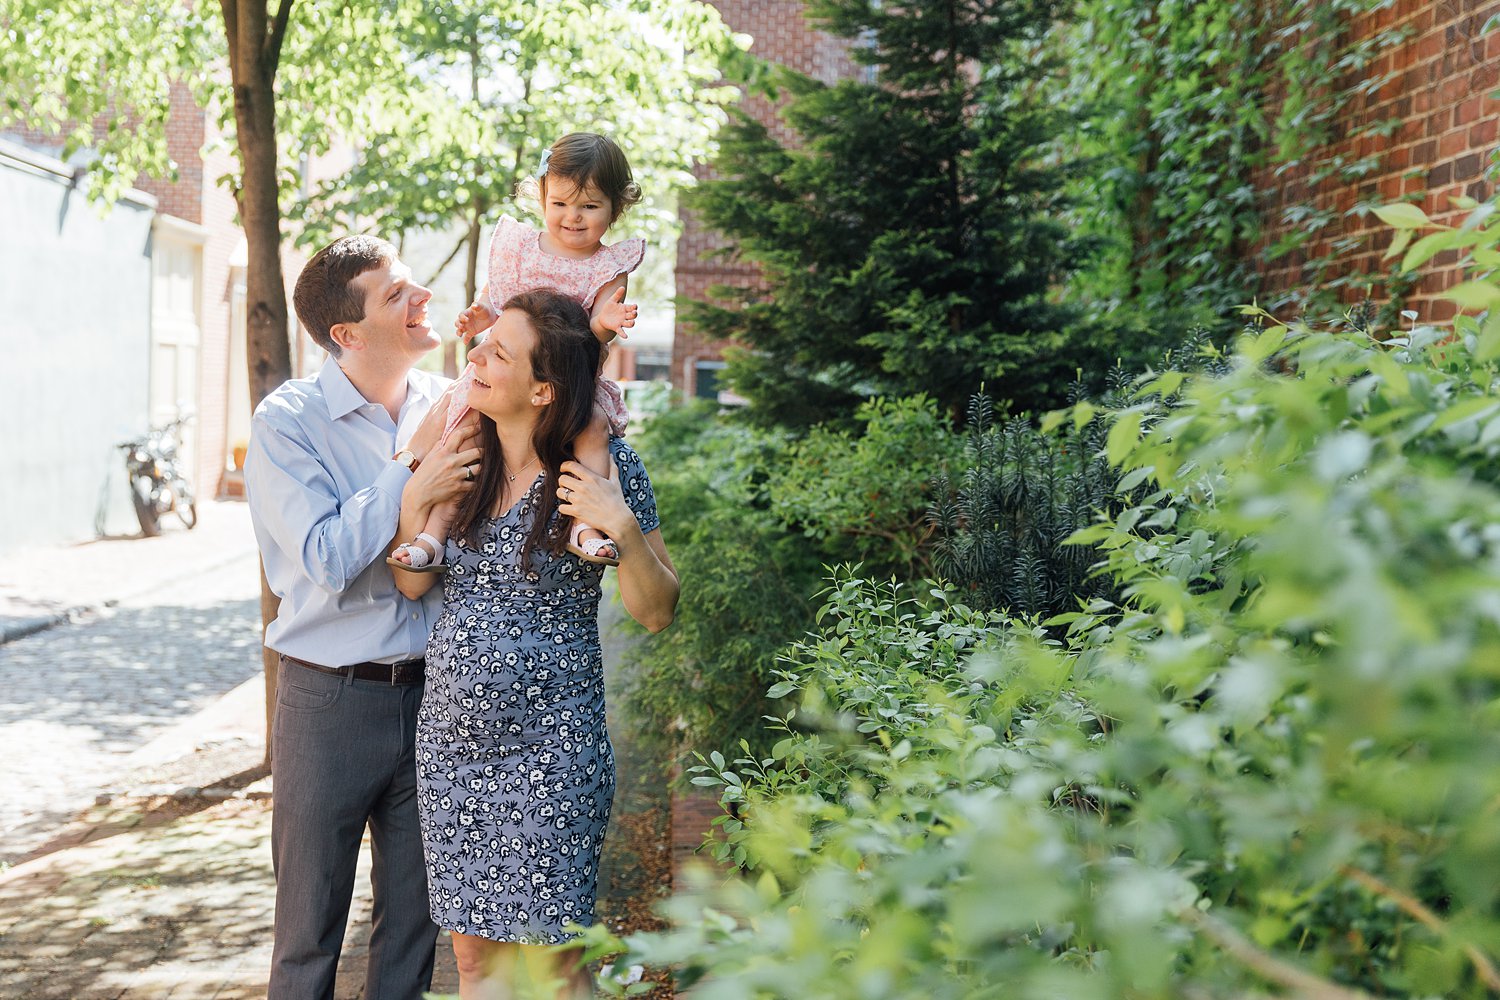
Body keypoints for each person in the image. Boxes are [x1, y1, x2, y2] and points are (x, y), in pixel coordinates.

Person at [392, 289, 679, 998]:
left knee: (555, 966)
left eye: (499, 352)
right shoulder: (462, 453)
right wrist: (410, 503)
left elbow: (657, 611)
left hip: (554, 751)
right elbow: (410, 586)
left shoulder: (602, 470)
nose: (476, 358)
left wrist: (626, 530)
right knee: (474, 963)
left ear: (544, 388)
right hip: (454, 753)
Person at [245, 234, 483, 999]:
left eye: (414, 284)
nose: (422, 300)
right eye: (397, 294)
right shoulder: (289, 421)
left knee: (414, 930)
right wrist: (408, 464)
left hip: (437, 700)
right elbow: (323, 557)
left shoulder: (453, 403)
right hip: (328, 701)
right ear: (347, 334)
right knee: (309, 935)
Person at [389, 131, 645, 573]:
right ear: (542, 196)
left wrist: (608, 320)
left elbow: (598, 321)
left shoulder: (608, 265)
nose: (573, 217)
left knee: (594, 427)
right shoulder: (519, 248)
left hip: (567, 382)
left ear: (615, 208)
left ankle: (585, 523)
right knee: (461, 437)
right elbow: (498, 295)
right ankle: (431, 534)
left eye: (589, 206)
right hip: (507, 379)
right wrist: (480, 315)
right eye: (560, 204)